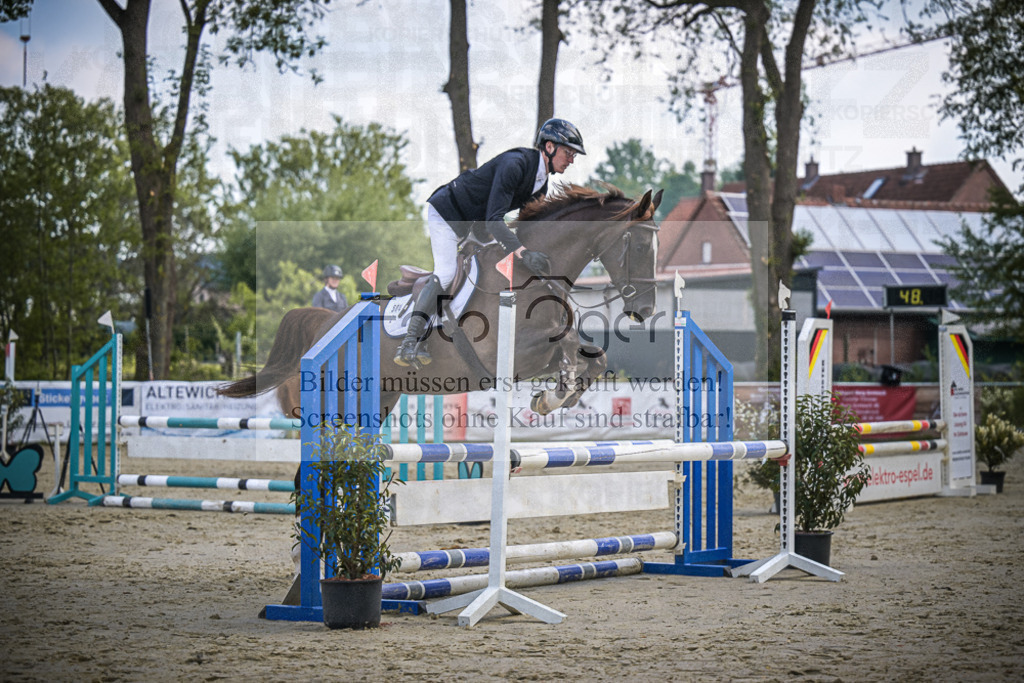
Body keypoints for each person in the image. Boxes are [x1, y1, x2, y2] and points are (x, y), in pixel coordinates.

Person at [395, 118, 585, 367]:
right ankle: (409, 341)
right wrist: (523, 252)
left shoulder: (541, 183)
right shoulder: (515, 164)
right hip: (449, 215)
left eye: (573, 155)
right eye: (568, 152)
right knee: (446, 272)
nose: (571, 159)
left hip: (477, 225)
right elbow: (496, 220)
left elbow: (524, 228)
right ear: (549, 147)